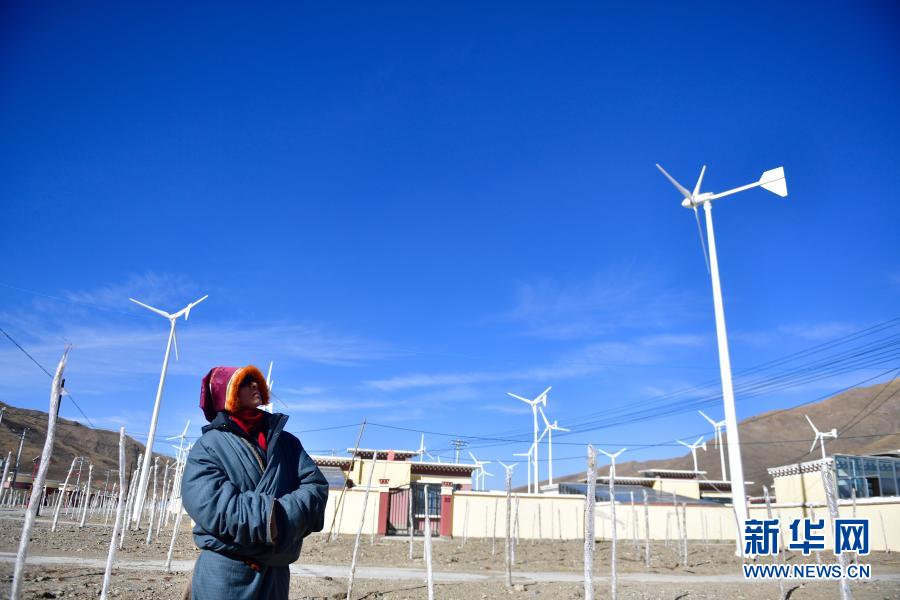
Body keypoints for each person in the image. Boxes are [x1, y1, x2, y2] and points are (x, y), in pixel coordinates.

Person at [181, 365, 328, 599]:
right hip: (225, 573)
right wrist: (271, 520)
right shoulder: (208, 446)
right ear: (227, 393)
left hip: (276, 574)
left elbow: (315, 488)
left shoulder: (288, 443)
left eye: (255, 380)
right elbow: (211, 504)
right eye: (245, 382)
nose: (255, 385)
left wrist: (282, 517)